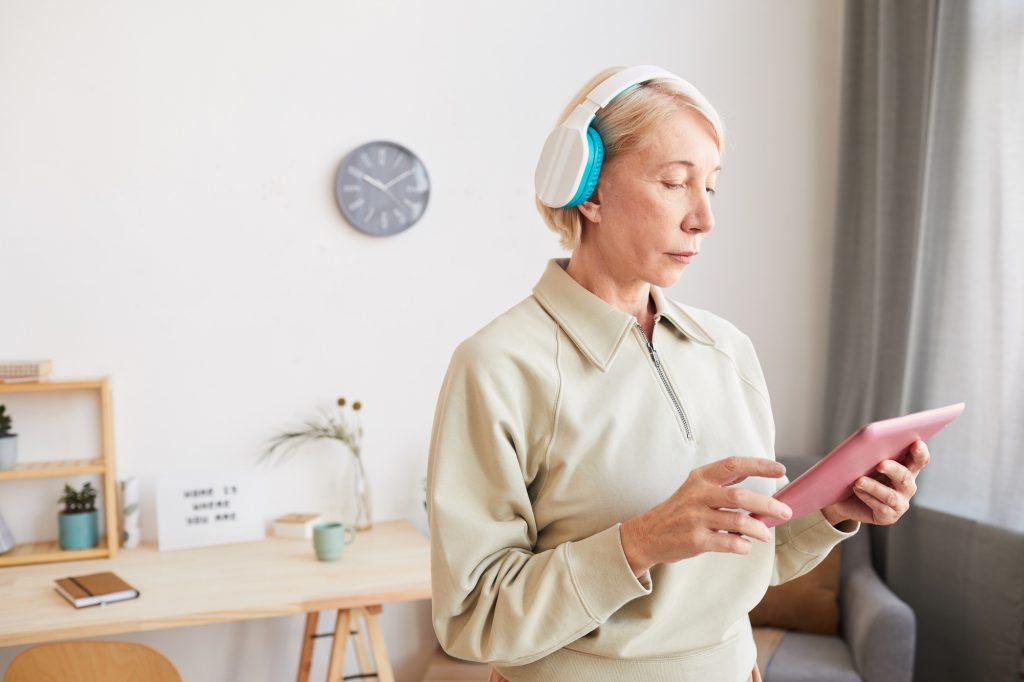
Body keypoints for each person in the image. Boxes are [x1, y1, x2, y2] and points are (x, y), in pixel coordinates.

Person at [426, 65, 931, 682]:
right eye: (674, 183)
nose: (703, 218)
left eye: (711, 187)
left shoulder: (728, 349)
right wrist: (637, 543)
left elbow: (751, 559)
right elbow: (475, 619)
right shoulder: (497, 366)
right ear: (587, 190)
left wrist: (832, 512)